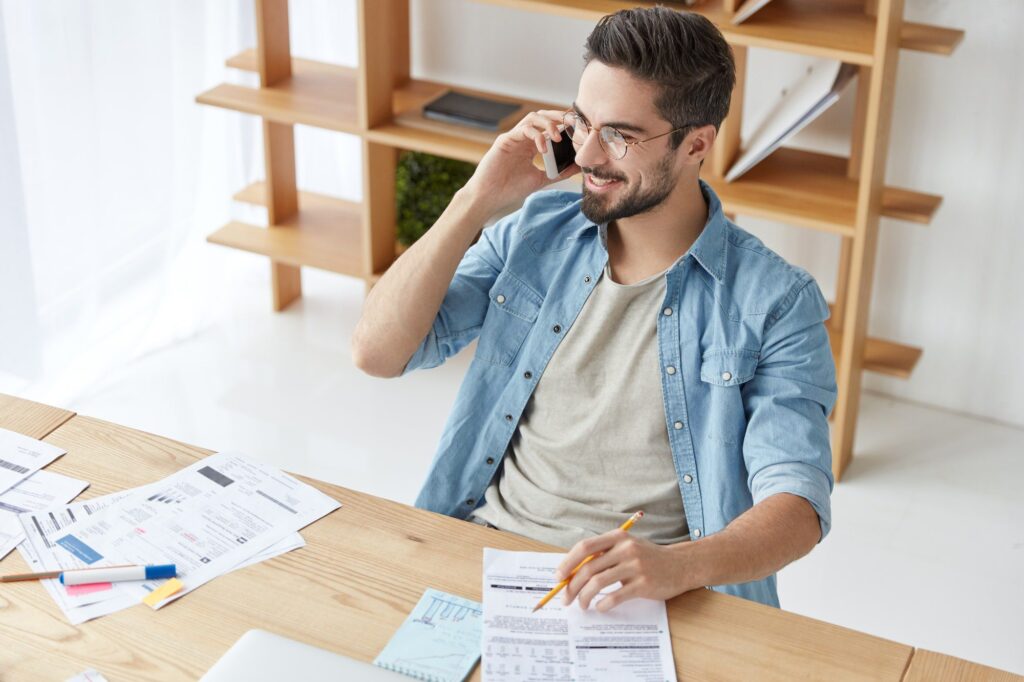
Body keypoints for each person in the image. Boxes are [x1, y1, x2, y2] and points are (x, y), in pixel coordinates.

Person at [351, 7, 836, 612]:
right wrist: (473, 201)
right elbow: (377, 353)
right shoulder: (534, 233)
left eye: (621, 136)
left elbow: (798, 505)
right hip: (491, 553)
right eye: (582, 122)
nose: (587, 154)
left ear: (696, 144)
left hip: (656, 592)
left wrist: (672, 566)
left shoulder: (775, 302)